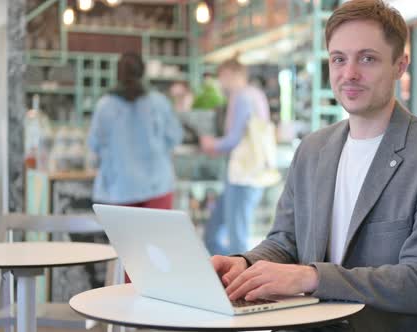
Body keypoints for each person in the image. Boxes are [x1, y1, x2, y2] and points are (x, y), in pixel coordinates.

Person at [209, 1, 417, 331]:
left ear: (400, 65)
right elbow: (285, 242)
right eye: (339, 59)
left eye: (367, 58)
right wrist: (244, 263)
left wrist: (310, 277)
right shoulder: (312, 149)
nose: (349, 73)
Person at [199, 57, 277, 256]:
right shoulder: (255, 94)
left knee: (235, 237)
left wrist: (211, 144)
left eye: (222, 77)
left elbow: (233, 138)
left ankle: (235, 281)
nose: (221, 82)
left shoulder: (241, 96)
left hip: (243, 174)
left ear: (231, 75)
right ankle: (225, 276)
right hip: (250, 173)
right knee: (218, 232)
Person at [87, 52, 183, 210]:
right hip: (157, 185)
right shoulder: (158, 102)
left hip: (120, 186)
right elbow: (175, 137)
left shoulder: (105, 105)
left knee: (124, 236)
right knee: (156, 235)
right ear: (144, 72)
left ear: (117, 73)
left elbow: (95, 144)